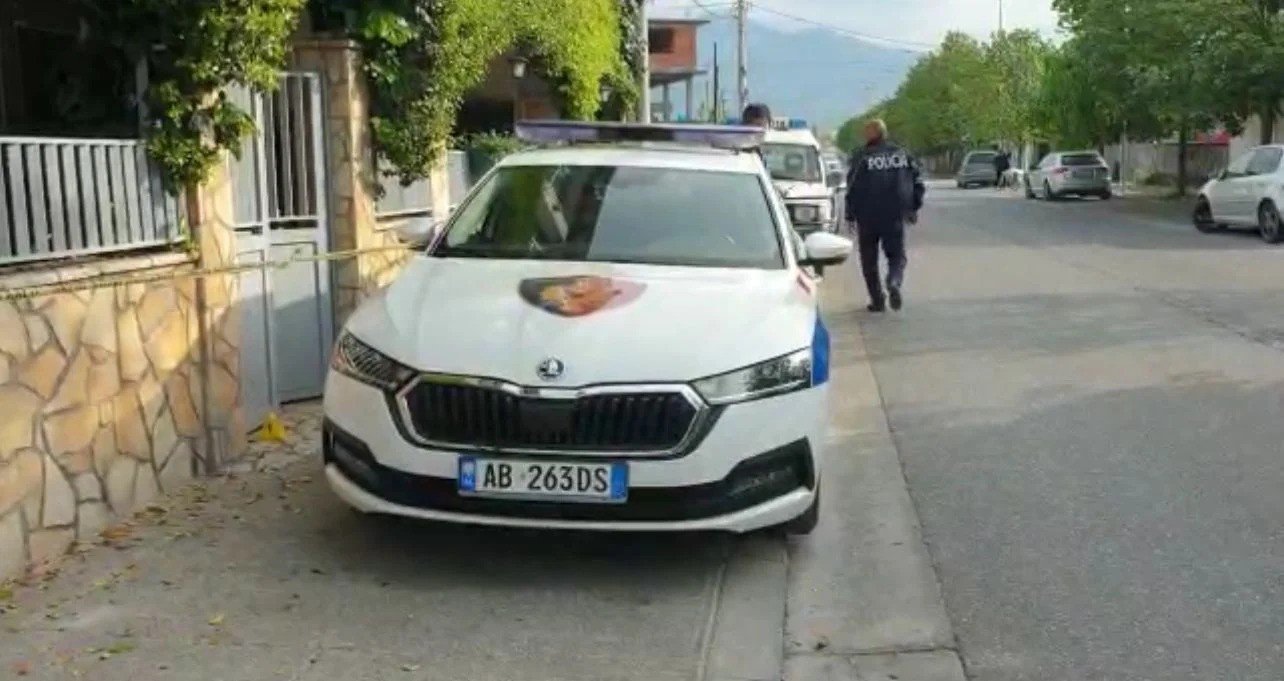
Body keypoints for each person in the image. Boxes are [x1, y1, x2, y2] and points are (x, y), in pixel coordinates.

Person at [844, 119, 925, 312]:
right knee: (897, 256)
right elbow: (918, 183)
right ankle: (894, 281)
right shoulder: (902, 154)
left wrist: (850, 214)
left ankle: (877, 300)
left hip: (868, 216)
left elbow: (852, 187)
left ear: (870, 134)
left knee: (869, 260)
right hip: (895, 214)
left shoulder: (862, 157)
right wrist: (913, 207)